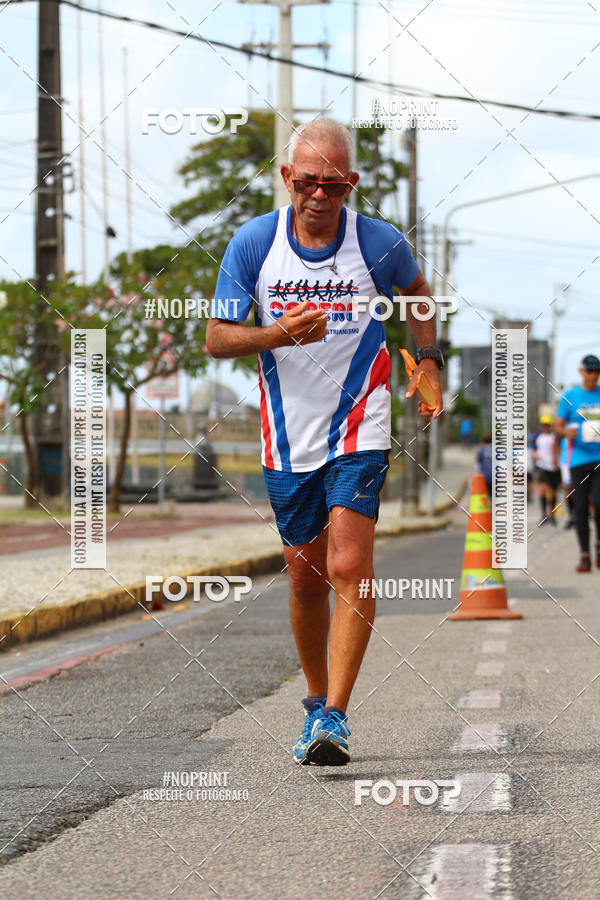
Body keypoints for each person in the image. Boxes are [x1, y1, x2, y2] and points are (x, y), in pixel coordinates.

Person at [206, 119, 443, 765]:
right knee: (306, 576)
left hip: (361, 421)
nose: (318, 195)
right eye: (307, 181)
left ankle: (336, 714)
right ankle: (315, 702)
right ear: (288, 178)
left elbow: (418, 293)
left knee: (347, 562)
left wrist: (428, 361)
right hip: (288, 436)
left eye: (333, 185)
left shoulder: (378, 242)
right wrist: (276, 334)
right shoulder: (255, 243)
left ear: (351, 184)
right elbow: (218, 337)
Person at [555, 354, 600, 572]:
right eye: (590, 371)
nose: (594, 375)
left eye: (597, 371)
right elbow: (557, 427)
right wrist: (566, 432)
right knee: (580, 507)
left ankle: (598, 545)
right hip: (578, 460)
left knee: (599, 505)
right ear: (581, 371)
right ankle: (585, 555)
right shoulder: (570, 396)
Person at [533, 415, 560, 525]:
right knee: (542, 490)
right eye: (544, 424)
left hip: (553, 467)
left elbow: (559, 449)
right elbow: (533, 449)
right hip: (542, 466)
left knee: (553, 492)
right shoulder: (538, 436)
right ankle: (544, 515)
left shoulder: (554, 436)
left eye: (547, 424)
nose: (546, 426)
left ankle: (552, 515)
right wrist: (535, 455)